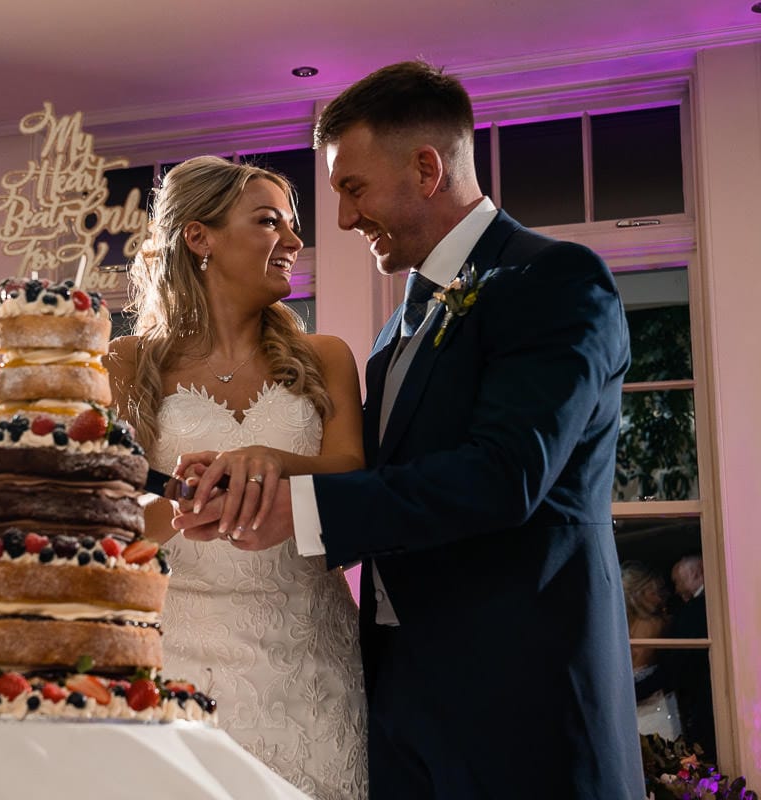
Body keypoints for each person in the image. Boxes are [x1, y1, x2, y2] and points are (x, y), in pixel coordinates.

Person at [174, 61, 645, 799]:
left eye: (352, 188)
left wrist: (293, 511)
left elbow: (503, 476)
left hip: (522, 704)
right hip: (400, 705)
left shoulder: (553, 280)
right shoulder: (403, 322)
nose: (342, 219)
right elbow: (387, 479)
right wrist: (268, 466)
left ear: (427, 169)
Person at [105, 154, 369, 798]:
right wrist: (191, 499)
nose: (295, 240)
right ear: (200, 236)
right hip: (178, 659)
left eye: (292, 224)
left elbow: (351, 474)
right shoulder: (125, 363)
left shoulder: (325, 357)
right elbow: (105, 525)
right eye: (269, 221)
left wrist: (272, 461)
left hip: (309, 656)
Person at [637, 554, 715, 759]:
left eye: (678, 582)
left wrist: (634, 692)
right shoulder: (703, 607)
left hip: (701, 703)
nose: (677, 590)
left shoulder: (695, 611)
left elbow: (676, 666)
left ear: (695, 574)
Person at [621, 561, 679, 740]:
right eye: (655, 592)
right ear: (639, 593)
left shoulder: (618, 626)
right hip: (648, 706)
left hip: (649, 704)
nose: (661, 598)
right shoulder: (657, 624)